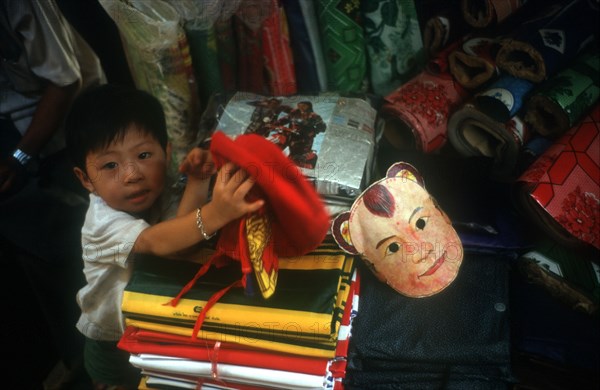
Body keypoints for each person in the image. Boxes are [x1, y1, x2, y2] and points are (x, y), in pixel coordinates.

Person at [65, 84, 264, 389]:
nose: (132, 174)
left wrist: (197, 182)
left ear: (167, 152)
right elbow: (157, 242)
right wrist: (216, 213)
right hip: (112, 343)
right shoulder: (101, 221)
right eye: (110, 165)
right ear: (85, 179)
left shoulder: (163, 191)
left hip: (152, 330)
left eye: (144, 155)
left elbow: (180, 243)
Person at [0, 1, 106, 387]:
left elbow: (65, 81)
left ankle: (91, 349)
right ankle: (69, 353)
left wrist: (17, 159)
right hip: (13, 125)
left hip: (62, 120)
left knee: (69, 242)